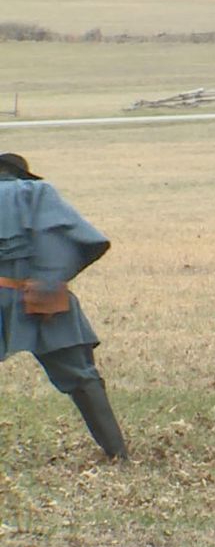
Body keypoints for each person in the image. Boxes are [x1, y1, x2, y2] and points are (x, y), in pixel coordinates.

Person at [0, 153, 128, 459]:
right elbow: (84, 240)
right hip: (41, 297)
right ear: (21, 175)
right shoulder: (37, 193)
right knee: (81, 376)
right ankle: (118, 453)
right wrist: (49, 278)